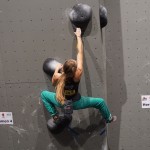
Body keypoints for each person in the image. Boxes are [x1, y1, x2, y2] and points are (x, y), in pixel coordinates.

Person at [41, 28, 117, 125]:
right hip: (76, 103)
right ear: (75, 70)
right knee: (100, 102)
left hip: (61, 101)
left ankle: (55, 115)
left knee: (43, 94)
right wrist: (78, 36)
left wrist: (56, 69)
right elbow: (80, 52)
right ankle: (109, 118)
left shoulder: (57, 75)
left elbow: (53, 83)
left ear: (63, 68)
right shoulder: (78, 74)